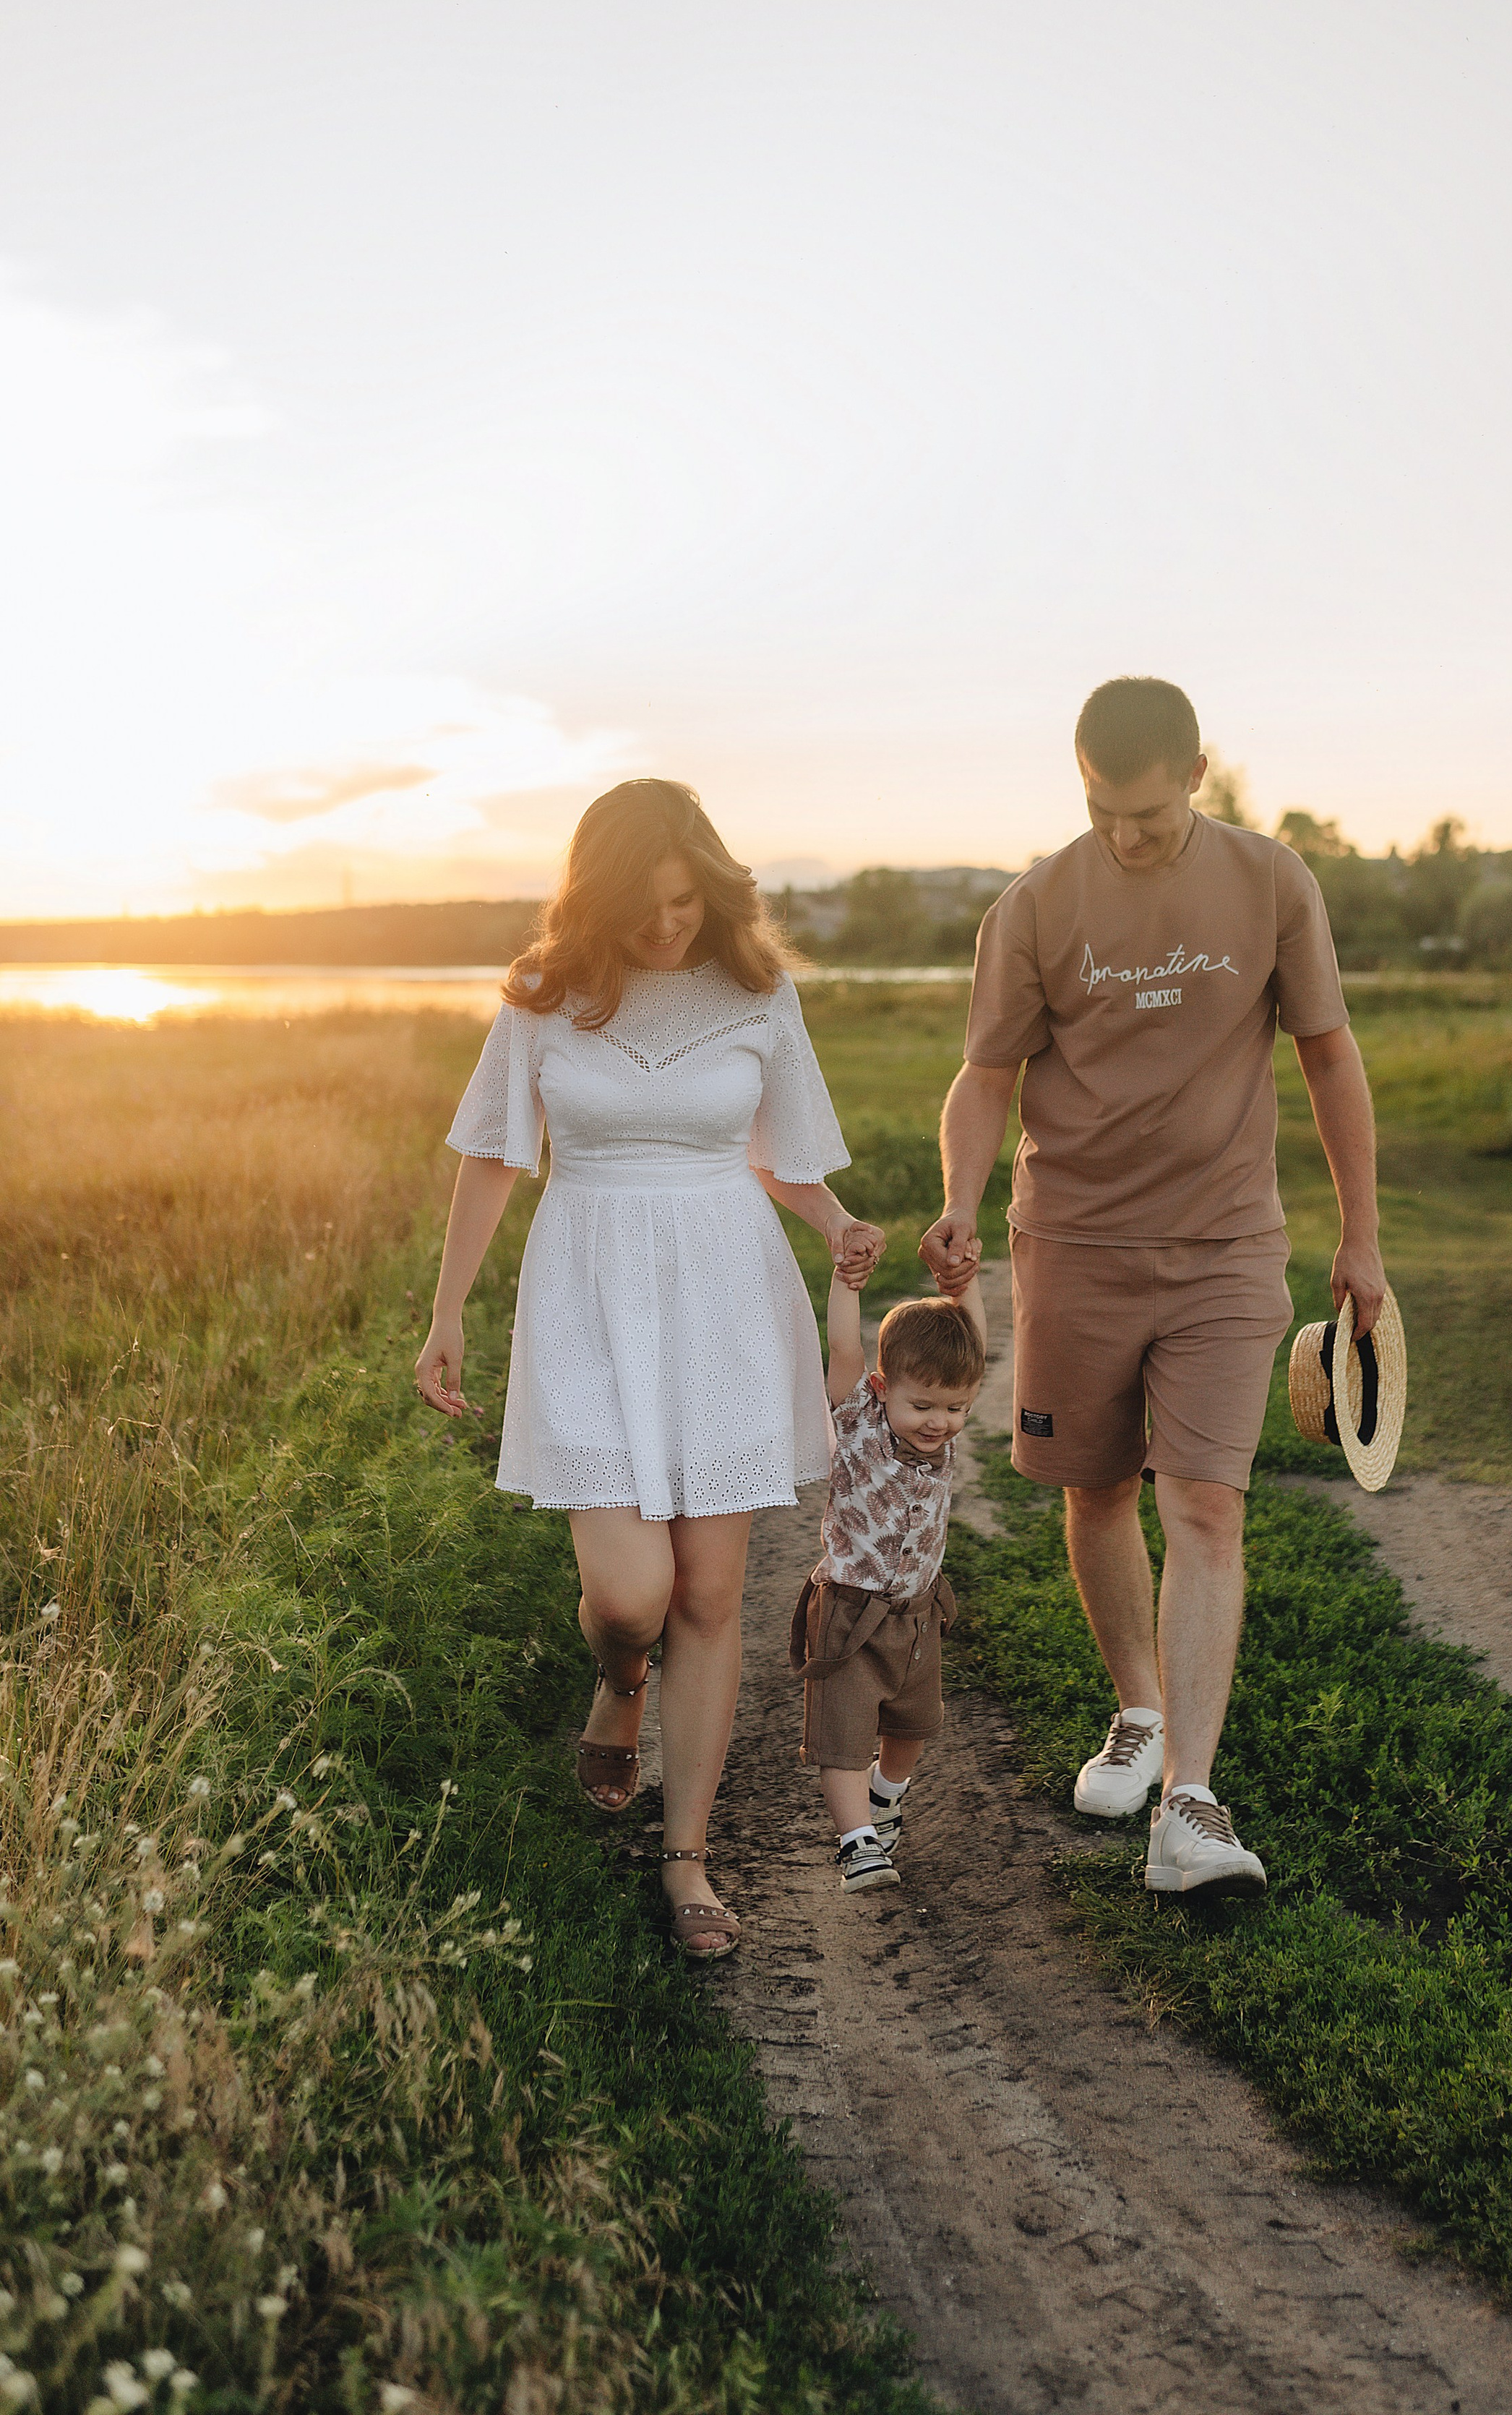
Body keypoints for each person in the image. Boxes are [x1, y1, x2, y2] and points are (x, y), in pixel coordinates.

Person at [922, 676, 1384, 1897]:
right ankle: (1136, 1709)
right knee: (1095, 1488)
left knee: (1208, 1504)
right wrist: (961, 1197)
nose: (1127, 835)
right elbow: (985, 1076)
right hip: (1073, 1239)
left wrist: (1363, 1235)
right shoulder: (1034, 906)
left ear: (1196, 773)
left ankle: (1188, 1799)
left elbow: (1330, 1053)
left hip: (1228, 1243)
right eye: (1102, 809)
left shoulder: (1274, 881)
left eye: (1148, 814)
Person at [415, 778, 884, 1961]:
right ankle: (618, 1674)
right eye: (646, 906)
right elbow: (490, 1158)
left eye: (688, 900)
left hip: (726, 1294)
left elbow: (781, 1159)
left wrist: (837, 1227)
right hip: (588, 1300)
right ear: (598, 899)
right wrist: (448, 1311)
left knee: (710, 1596)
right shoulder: (542, 996)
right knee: (630, 1594)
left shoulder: (759, 993)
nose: (671, 925)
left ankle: (687, 1859)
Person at [791, 1277, 986, 1894]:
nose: (940, 1423)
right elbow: (845, 1348)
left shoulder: (939, 1436)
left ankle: (886, 1798)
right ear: (882, 1389)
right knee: (843, 1736)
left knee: (913, 1726)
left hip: (917, 1615)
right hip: (851, 1614)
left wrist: (966, 1282)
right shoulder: (859, 1424)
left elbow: (973, 1342)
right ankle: (857, 1845)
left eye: (956, 1409)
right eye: (923, 1407)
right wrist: (845, 1279)